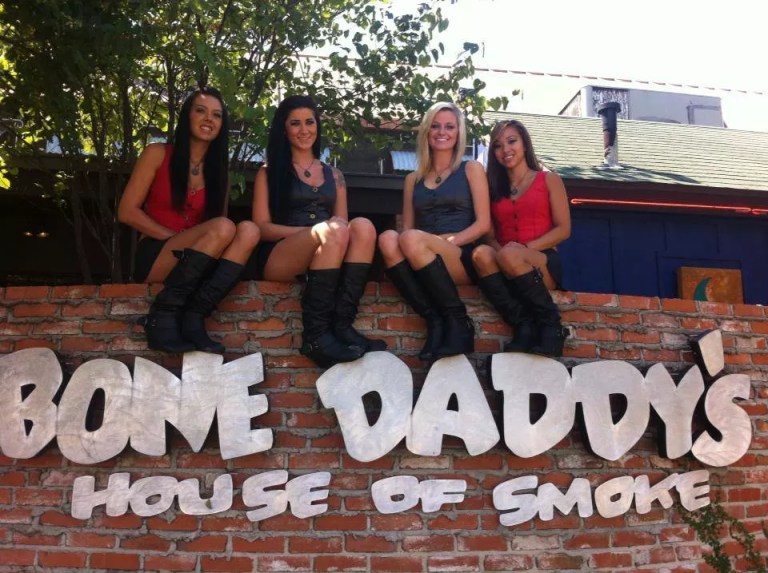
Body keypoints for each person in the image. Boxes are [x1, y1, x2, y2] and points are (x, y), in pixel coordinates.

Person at [118, 86, 260, 354]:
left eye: (217, 115)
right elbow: (126, 211)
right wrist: (175, 239)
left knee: (249, 230)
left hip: (196, 262)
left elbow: (220, 234)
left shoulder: (219, 172)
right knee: (224, 226)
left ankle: (194, 317)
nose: (209, 119)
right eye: (201, 111)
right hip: (157, 252)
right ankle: (161, 316)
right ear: (187, 116)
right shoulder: (157, 153)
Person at [248, 94, 385, 368]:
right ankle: (315, 336)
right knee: (332, 229)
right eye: (295, 123)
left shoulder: (335, 175)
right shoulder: (269, 172)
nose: (304, 130)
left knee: (363, 227)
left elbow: (342, 224)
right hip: (282, 255)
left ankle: (341, 325)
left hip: (328, 249)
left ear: (317, 126)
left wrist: (326, 233)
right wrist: (312, 233)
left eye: (309, 122)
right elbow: (261, 228)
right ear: (284, 129)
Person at [378, 101, 491, 361]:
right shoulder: (412, 179)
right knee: (387, 238)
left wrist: (449, 240)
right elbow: (407, 229)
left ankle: (458, 320)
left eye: (449, 127)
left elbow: (483, 224)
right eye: (436, 126)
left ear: (459, 133)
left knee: (411, 238)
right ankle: (434, 320)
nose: (442, 132)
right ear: (427, 131)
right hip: (421, 253)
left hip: (459, 254)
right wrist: (421, 242)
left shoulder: (471, 169)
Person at [471, 119, 571, 357]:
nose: (505, 149)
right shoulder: (493, 188)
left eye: (511, 141)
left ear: (525, 144)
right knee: (480, 254)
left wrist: (523, 249)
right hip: (506, 260)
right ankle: (523, 325)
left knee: (510, 254)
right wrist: (502, 256)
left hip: (542, 260)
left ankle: (552, 326)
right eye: (498, 145)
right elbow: (489, 236)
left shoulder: (549, 179)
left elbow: (564, 229)